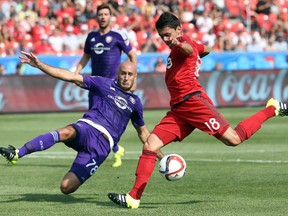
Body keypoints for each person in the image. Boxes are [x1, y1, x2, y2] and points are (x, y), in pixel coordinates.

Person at [107, 12, 288, 209]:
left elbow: (187, 49)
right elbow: (204, 49)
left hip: (194, 103)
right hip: (178, 110)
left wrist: (182, 46)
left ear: (178, 30)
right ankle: (133, 197)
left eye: (168, 35)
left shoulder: (183, 45)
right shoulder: (189, 45)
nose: (166, 40)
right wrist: (198, 52)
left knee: (234, 139)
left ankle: (272, 108)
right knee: (150, 144)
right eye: (162, 36)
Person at [0, 51, 155, 195]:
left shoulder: (135, 103)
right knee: (67, 132)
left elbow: (143, 133)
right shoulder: (103, 83)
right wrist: (40, 65)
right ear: (117, 73)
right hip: (87, 127)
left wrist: (161, 156)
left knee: (66, 187)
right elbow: (70, 76)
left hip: (101, 147)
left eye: (130, 74)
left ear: (135, 77)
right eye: (123, 73)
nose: (126, 77)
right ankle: (17, 153)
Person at [74, 3, 137, 167]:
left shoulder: (118, 36)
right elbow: (86, 56)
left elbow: (132, 55)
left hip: (113, 88)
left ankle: (111, 148)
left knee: (112, 122)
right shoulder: (91, 37)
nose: (103, 17)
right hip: (95, 85)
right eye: (100, 14)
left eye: (105, 14)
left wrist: (133, 79)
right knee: (93, 119)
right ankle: (113, 149)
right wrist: (76, 73)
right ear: (97, 17)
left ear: (110, 17)